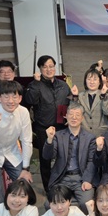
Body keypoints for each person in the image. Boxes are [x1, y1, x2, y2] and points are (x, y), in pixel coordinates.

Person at [24, 55, 78, 192]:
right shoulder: (35, 85)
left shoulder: (63, 85)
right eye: (45, 67)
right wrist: (36, 83)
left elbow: (70, 103)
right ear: (40, 69)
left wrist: (74, 98)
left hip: (61, 126)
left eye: (51, 66)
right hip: (43, 128)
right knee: (45, 160)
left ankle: (64, 185)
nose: (49, 69)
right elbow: (29, 100)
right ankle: (49, 188)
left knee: (63, 156)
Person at [0, 81, 33, 205]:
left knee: (25, 188)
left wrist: (26, 168)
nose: (11, 101)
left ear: (20, 98)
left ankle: (22, 215)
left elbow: (26, 140)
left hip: (12, 152)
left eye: (14, 96)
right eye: (6, 97)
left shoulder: (23, 112)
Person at [43, 103, 97, 210]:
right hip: (62, 178)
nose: (74, 117)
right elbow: (47, 156)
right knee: (49, 205)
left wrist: (87, 180)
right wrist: (49, 139)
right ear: (66, 116)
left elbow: (92, 161)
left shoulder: (90, 138)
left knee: (87, 204)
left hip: (81, 178)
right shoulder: (58, 136)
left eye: (77, 115)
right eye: (71, 114)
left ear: (82, 118)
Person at [78, 68, 108, 137]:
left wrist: (103, 95)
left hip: (102, 134)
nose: (92, 82)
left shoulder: (106, 96)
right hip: (84, 134)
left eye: (95, 79)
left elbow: (107, 112)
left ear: (99, 82)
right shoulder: (80, 96)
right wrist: (74, 97)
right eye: (89, 79)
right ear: (85, 81)